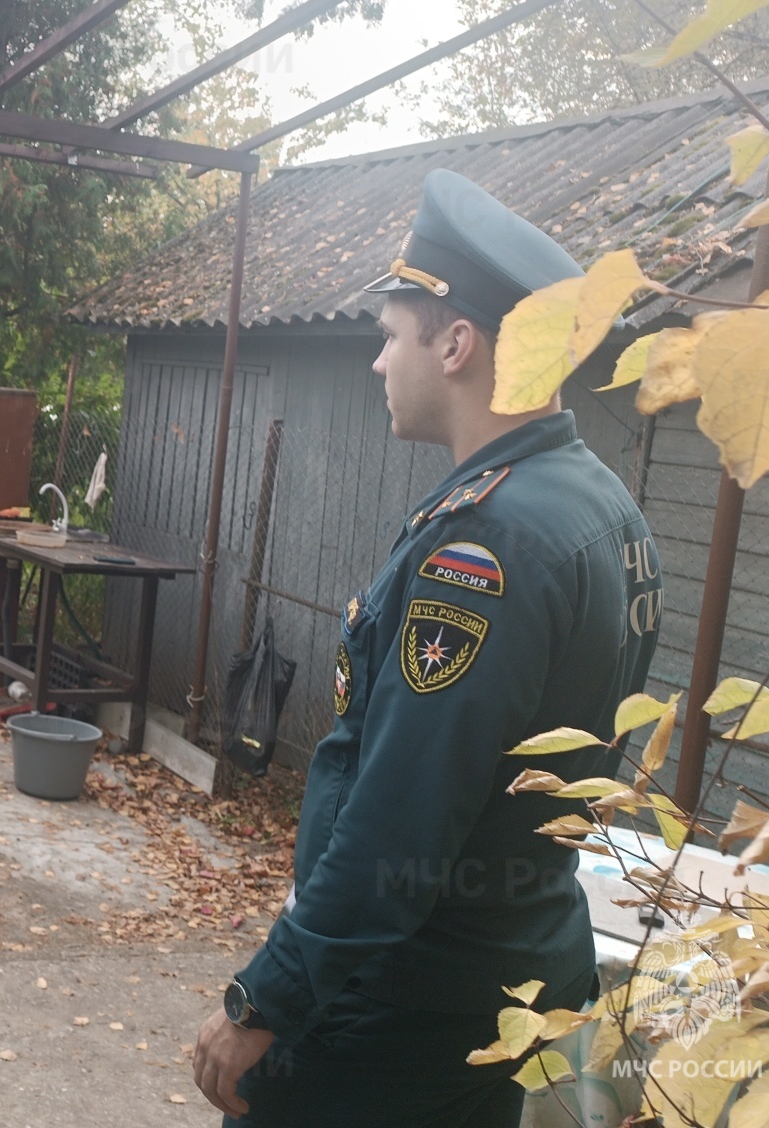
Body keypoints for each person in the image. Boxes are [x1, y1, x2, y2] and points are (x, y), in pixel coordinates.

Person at [192, 170, 664, 1127]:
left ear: (455, 345)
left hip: (401, 1010)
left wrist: (267, 998)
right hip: (512, 981)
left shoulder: (485, 543)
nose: (376, 362)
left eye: (389, 335)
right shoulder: (606, 506)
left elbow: (400, 812)